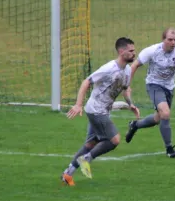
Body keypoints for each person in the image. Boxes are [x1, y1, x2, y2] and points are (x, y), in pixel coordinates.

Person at [60, 37, 140, 186]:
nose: (134, 53)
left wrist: (130, 104)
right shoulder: (109, 68)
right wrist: (78, 105)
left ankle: (67, 174)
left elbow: (124, 89)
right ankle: (86, 159)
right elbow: (86, 82)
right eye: (131, 51)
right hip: (96, 110)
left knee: (90, 144)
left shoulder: (128, 70)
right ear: (121, 52)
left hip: (103, 110)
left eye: (134, 50)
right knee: (114, 140)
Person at [124, 27, 175, 158]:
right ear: (163, 40)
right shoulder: (152, 51)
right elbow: (133, 66)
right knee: (166, 113)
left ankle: (135, 125)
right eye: (170, 40)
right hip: (154, 85)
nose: (173, 42)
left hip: (169, 87)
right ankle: (169, 149)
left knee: (158, 118)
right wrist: (127, 86)